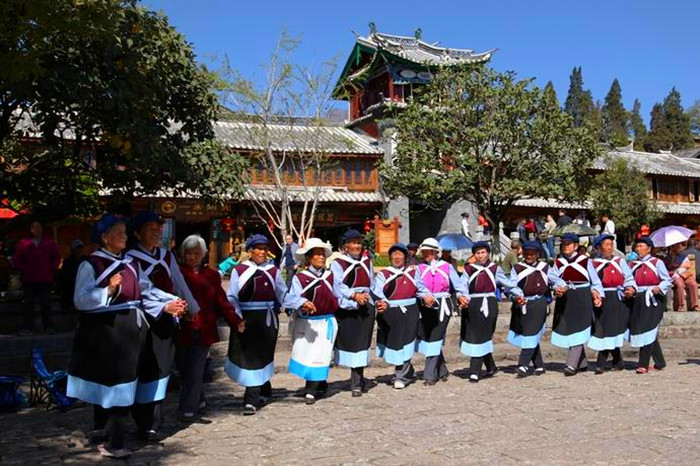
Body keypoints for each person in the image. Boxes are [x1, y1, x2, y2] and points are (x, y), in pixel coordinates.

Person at [67, 214, 186, 459]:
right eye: (119, 232)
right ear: (104, 237)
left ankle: (111, 435)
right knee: (113, 382)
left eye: (124, 232)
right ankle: (114, 439)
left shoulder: (131, 263)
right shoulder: (91, 264)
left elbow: (147, 290)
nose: (124, 236)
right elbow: (80, 299)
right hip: (107, 331)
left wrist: (169, 302)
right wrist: (108, 290)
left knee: (125, 381)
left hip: (132, 331)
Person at [126, 211, 199, 437]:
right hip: (140, 320)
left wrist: (192, 308)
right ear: (137, 233)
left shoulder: (166, 256)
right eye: (151, 228)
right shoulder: (130, 258)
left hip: (166, 319)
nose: (157, 232)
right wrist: (164, 306)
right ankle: (141, 418)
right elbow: (139, 291)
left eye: (159, 228)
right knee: (143, 369)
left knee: (161, 368)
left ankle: (152, 421)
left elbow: (178, 283)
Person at [178, 235, 244, 421]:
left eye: (197, 253)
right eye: (189, 253)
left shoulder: (211, 275)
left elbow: (221, 301)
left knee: (196, 368)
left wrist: (235, 320)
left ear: (204, 255)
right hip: (181, 328)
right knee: (184, 368)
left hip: (204, 327)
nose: (193, 257)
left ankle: (187, 409)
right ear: (183, 254)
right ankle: (198, 399)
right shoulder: (177, 273)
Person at [226, 234, 287, 415]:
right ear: (250, 251)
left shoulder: (273, 270)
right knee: (250, 357)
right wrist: (237, 318)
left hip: (267, 320)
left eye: (264, 248)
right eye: (258, 248)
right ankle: (257, 393)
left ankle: (256, 395)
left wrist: (298, 306)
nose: (262, 252)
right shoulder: (240, 270)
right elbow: (231, 296)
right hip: (246, 319)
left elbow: (283, 294)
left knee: (263, 355)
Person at [283, 238, 339, 404]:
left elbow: (338, 295)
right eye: (317, 255)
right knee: (307, 355)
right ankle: (320, 384)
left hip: (325, 321)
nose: (321, 258)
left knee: (320, 355)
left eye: (323, 255)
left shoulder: (330, 276)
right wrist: (302, 303)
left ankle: (311, 389)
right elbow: (291, 298)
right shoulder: (300, 278)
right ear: (308, 258)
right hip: (307, 323)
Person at [372, 243, 433, 389]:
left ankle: (401, 375)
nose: (397, 257)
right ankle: (406, 370)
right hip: (391, 312)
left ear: (405, 257)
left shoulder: (413, 272)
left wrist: (426, 296)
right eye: (394, 254)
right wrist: (382, 302)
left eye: (400, 254)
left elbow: (421, 288)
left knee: (407, 341)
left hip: (410, 310)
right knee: (395, 343)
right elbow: (377, 292)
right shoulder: (384, 274)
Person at [415, 238, 469, 385]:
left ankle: (429, 374)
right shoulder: (419, 268)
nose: (426, 255)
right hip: (425, 306)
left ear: (435, 252)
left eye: (428, 252)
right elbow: (418, 287)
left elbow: (457, 285)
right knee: (428, 337)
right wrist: (425, 295)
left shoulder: (447, 266)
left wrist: (461, 296)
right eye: (424, 252)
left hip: (443, 305)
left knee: (435, 337)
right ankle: (442, 370)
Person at [508, 241, 566, 377]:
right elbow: (511, 286)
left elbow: (556, 280)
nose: (529, 256)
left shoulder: (545, 267)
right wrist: (517, 296)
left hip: (539, 303)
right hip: (522, 304)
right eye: (527, 253)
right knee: (529, 333)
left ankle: (523, 364)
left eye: (532, 254)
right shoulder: (517, 268)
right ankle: (539, 365)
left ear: (537, 254)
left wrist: (561, 287)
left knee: (531, 332)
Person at [460, 241, 515, 383]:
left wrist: (519, 293)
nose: (480, 255)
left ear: (488, 253)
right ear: (474, 255)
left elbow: (508, 283)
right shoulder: (468, 269)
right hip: (473, 304)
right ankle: (490, 367)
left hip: (489, 304)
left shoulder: (495, 268)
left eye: (483, 252)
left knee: (484, 334)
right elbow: (462, 286)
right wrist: (462, 296)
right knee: (476, 335)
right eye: (477, 253)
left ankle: (474, 371)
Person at [330, 230, 376, 397]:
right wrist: (354, 295)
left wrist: (376, 299)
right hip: (348, 307)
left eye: (359, 243)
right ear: (345, 246)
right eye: (353, 243)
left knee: (363, 343)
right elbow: (336, 285)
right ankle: (355, 380)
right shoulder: (338, 263)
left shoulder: (366, 261)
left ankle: (358, 379)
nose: (357, 246)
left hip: (366, 307)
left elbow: (373, 283)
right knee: (352, 343)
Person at [551, 233, 604, 376]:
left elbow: (595, 281)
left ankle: (571, 364)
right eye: (563, 244)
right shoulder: (557, 262)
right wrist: (557, 289)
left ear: (575, 246)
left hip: (582, 298)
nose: (565, 246)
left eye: (568, 244)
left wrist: (597, 294)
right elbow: (554, 280)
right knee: (570, 329)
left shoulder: (585, 261)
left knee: (580, 328)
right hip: (565, 299)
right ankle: (582, 363)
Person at [588, 234, 636, 374]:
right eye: (607, 245)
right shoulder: (593, 263)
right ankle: (604, 362)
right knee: (605, 329)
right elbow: (592, 282)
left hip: (618, 297)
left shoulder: (620, 262)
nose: (610, 248)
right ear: (598, 247)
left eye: (611, 245)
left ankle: (614, 361)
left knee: (614, 328)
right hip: (602, 299)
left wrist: (630, 288)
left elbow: (629, 278)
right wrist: (594, 293)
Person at [628, 236, 672, 374]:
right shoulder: (633, 264)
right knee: (647, 329)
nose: (638, 249)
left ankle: (643, 364)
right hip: (638, 298)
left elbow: (667, 280)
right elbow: (629, 280)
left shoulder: (657, 262)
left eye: (641, 246)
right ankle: (660, 362)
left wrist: (658, 287)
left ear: (649, 249)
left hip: (654, 298)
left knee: (648, 329)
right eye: (637, 247)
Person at [12, 219, 61, 334]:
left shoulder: (49, 243)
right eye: (33, 227)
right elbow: (17, 258)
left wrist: (50, 269)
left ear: (42, 229)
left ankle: (48, 326)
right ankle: (27, 327)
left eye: (37, 227)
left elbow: (56, 258)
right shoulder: (24, 243)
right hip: (29, 278)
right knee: (28, 304)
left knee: (45, 303)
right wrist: (23, 269)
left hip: (45, 278)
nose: (35, 229)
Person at [664, 242, 699, 312]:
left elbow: (688, 265)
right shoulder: (668, 257)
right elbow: (669, 267)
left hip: (685, 274)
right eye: (678, 247)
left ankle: (695, 305)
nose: (680, 248)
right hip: (675, 275)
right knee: (680, 285)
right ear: (673, 248)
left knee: (693, 284)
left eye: (680, 246)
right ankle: (681, 305)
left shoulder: (683, 256)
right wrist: (673, 262)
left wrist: (678, 265)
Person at [58, 239, 86, 312]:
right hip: (71, 292)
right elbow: (64, 278)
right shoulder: (67, 262)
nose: (79, 250)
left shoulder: (88, 260)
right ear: (72, 250)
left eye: (80, 248)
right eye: (77, 248)